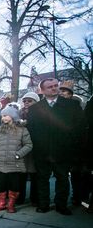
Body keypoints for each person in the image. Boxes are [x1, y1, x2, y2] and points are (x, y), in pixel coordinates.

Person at [27, 78, 84, 215]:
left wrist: (72, 146)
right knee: (42, 179)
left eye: (55, 86)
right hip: (42, 151)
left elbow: (79, 128)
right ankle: (43, 204)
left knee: (63, 178)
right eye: (49, 87)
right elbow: (32, 130)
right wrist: (37, 147)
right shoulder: (35, 109)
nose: (53, 88)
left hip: (63, 150)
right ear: (42, 90)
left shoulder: (71, 105)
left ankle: (61, 205)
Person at [0, 106, 33, 213]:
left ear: (13, 116)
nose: (3, 118)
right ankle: (2, 203)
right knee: (0, 184)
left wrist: (18, 154)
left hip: (16, 164)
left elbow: (28, 145)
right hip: (1, 163)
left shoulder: (22, 130)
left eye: (5, 115)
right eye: (2, 116)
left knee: (14, 185)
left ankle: (11, 204)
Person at [17, 92, 40, 206]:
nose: (26, 103)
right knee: (21, 174)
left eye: (30, 101)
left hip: (35, 147)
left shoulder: (41, 113)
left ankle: (35, 198)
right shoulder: (19, 114)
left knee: (35, 174)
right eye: (25, 101)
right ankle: (20, 197)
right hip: (21, 148)